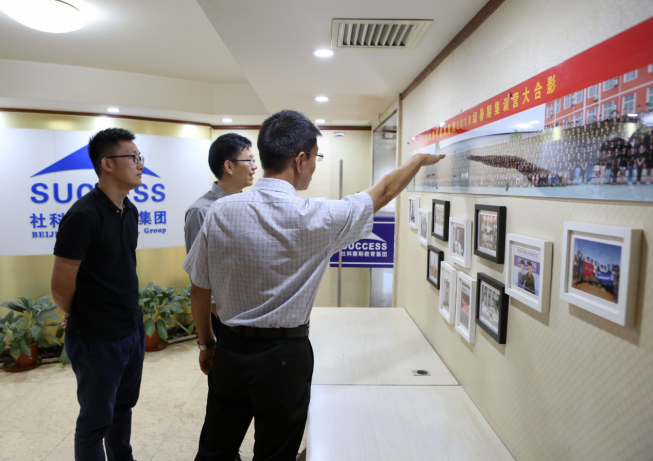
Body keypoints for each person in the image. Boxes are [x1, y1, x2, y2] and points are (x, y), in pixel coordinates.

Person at [183, 109, 444, 461]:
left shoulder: (220, 211)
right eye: (315, 158)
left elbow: (199, 289)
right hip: (285, 358)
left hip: (230, 352)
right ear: (299, 159)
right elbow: (383, 191)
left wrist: (206, 343)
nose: (314, 166)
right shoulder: (319, 217)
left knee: (216, 450)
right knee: (276, 454)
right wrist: (417, 161)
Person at [50, 128, 145, 461]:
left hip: (131, 329)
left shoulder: (130, 210)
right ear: (107, 163)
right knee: (95, 421)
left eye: (140, 157)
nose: (140, 164)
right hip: (97, 337)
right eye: (132, 157)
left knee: (123, 408)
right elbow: (60, 286)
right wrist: (79, 312)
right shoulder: (82, 215)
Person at [184, 133, 257, 336]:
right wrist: (222, 318)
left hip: (253, 313)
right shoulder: (200, 211)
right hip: (225, 318)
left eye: (254, 161)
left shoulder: (251, 206)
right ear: (229, 167)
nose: (254, 167)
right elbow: (198, 276)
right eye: (249, 160)